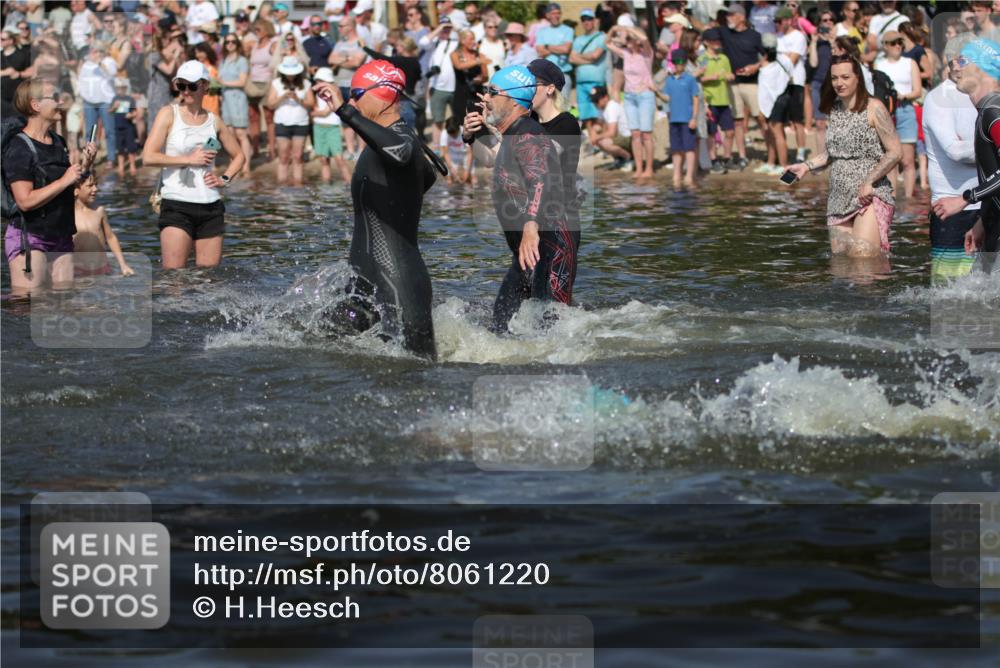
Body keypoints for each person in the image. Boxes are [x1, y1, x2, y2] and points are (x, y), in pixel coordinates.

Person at [311, 60, 443, 360]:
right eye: (350, 96)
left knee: (415, 372)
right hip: (362, 284)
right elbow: (427, 176)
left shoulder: (402, 138)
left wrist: (344, 111)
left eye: (357, 94)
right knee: (317, 348)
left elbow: (403, 154)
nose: (354, 101)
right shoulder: (382, 142)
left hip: (398, 283)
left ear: (382, 94)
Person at [462, 65, 573, 332]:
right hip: (527, 254)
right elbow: (489, 157)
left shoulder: (527, 134)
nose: (485, 97)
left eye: (492, 92)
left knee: (549, 334)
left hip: (549, 250)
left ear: (513, 100)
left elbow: (542, 179)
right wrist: (473, 133)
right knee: (501, 328)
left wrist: (531, 226)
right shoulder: (513, 133)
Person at [786, 55, 901, 258]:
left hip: (868, 195)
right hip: (838, 199)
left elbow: (895, 152)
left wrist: (869, 181)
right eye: (835, 78)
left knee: (863, 261)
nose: (839, 83)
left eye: (845, 77)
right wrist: (806, 166)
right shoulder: (835, 110)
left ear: (858, 78)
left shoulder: (874, 107)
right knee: (842, 264)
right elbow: (834, 153)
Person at [141, 60, 245, 269]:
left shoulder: (214, 121)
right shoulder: (169, 114)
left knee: (208, 279)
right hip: (176, 204)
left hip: (211, 205)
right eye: (181, 85)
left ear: (205, 86)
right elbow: (148, 157)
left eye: (192, 85)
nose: (186, 91)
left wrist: (224, 179)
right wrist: (188, 159)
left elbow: (239, 156)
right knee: (174, 277)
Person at [3, 79, 96, 291]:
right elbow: (25, 201)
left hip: (61, 236)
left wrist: (86, 165)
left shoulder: (57, 141)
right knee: (30, 303)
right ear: (35, 105)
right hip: (30, 237)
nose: (61, 101)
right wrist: (64, 180)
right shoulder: (19, 147)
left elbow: (67, 188)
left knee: (63, 303)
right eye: (54, 97)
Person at [932, 39, 1000, 257]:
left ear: (982, 68)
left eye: (962, 60)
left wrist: (965, 199)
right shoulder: (988, 110)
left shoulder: (994, 112)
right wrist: (983, 220)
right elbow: (993, 171)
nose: (955, 66)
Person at [923, 44, 982, 281]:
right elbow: (955, 152)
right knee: (946, 289)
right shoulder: (938, 98)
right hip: (950, 208)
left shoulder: (984, 94)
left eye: (964, 60)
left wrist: (972, 144)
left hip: (987, 204)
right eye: (953, 60)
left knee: (986, 286)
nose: (957, 66)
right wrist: (990, 145)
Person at [528, 58, 582, 256]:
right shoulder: (529, 121)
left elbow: (541, 158)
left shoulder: (567, 122)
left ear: (550, 89)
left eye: (532, 84)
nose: (526, 90)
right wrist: (476, 134)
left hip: (561, 221)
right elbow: (492, 159)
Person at [874, 30, 921, 197]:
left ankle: (908, 199)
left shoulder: (910, 63)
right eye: (894, 43)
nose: (898, 46)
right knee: (890, 161)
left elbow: (917, 91)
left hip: (905, 109)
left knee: (908, 160)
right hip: (885, 113)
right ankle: (891, 199)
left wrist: (903, 96)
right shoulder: (879, 64)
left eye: (900, 42)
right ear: (885, 46)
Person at [606, 25, 655, 179]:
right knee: (635, 134)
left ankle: (649, 168)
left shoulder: (647, 53)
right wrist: (614, 29)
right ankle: (639, 168)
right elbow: (607, 43)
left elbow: (645, 38)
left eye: (629, 39)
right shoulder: (625, 54)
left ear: (636, 40)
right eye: (627, 39)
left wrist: (630, 29)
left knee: (646, 134)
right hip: (629, 97)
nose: (627, 41)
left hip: (645, 96)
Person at [718, 4, 763, 171]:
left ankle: (773, 156)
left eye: (731, 14)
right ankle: (743, 156)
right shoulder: (724, 32)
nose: (728, 17)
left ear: (741, 17)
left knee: (760, 118)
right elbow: (703, 28)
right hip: (733, 84)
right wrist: (686, 15)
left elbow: (767, 56)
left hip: (752, 83)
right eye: (727, 14)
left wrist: (756, 66)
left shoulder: (755, 36)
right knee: (738, 120)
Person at [73, 172, 133, 277]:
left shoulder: (99, 211)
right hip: (78, 270)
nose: (95, 189)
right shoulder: (69, 215)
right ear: (76, 191)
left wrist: (123, 265)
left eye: (96, 185)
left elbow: (110, 237)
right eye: (90, 186)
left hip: (102, 268)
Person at [266, 56, 314, 186]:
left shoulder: (306, 83)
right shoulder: (276, 83)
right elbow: (270, 104)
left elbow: (311, 103)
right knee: (283, 156)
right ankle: (282, 186)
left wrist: (298, 99)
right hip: (282, 122)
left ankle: (298, 185)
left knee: (298, 156)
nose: (290, 76)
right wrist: (282, 96)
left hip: (301, 123)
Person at [657, 49, 699, 189]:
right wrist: (656, 91)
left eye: (681, 61)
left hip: (687, 119)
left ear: (685, 63)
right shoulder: (669, 80)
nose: (678, 64)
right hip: (674, 119)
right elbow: (666, 98)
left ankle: (689, 175)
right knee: (675, 149)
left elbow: (695, 99)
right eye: (676, 62)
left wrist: (694, 118)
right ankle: (676, 174)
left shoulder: (690, 79)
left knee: (689, 148)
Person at [698, 28, 735, 174]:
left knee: (730, 131)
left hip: (724, 100)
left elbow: (730, 74)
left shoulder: (724, 58)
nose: (717, 42)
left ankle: (727, 158)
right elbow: (697, 78)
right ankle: (713, 160)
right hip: (710, 101)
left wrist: (730, 76)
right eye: (713, 40)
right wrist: (709, 78)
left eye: (718, 40)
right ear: (706, 42)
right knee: (712, 133)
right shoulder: (702, 59)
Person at [328, 15, 366, 157]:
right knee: (345, 119)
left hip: (356, 86)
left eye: (341, 26)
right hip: (340, 85)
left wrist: (340, 61)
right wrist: (347, 58)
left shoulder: (360, 42)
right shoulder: (340, 43)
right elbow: (331, 59)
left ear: (350, 26)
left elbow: (357, 62)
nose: (338, 28)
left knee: (359, 119)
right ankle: (350, 149)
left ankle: (361, 150)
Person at [569, 9, 607, 148]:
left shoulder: (601, 37)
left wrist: (581, 57)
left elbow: (595, 56)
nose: (586, 22)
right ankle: (593, 142)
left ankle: (601, 141)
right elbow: (571, 58)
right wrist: (588, 58)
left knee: (598, 114)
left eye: (589, 19)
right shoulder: (578, 39)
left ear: (594, 20)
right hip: (581, 82)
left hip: (596, 81)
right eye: (584, 19)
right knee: (586, 115)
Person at [775, 7, 807, 163]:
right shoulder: (777, 37)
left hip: (795, 81)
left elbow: (792, 61)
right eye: (776, 21)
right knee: (780, 120)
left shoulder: (799, 36)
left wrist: (780, 56)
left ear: (788, 20)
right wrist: (784, 55)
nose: (777, 24)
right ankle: (783, 152)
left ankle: (801, 152)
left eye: (779, 21)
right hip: (779, 83)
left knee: (797, 119)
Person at [756, 35, 792, 175]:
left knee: (777, 131)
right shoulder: (784, 59)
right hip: (781, 98)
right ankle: (771, 163)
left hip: (778, 99)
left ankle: (784, 165)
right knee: (772, 130)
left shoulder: (765, 63)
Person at [420, 17, 458, 148]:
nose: (445, 30)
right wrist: (439, 29)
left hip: (455, 87)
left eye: (448, 28)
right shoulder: (434, 43)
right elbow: (422, 42)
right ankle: (436, 147)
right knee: (438, 120)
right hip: (437, 88)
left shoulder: (455, 42)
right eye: (443, 28)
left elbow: (466, 38)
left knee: (457, 118)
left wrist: (454, 28)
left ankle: (455, 146)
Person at [218, 32, 253, 177]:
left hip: (238, 98)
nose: (230, 44)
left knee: (241, 133)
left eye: (233, 41)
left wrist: (223, 83)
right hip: (226, 99)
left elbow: (242, 82)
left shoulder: (242, 61)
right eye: (227, 42)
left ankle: (246, 166)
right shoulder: (223, 60)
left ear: (237, 44)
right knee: (230, 133)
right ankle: (234, 164)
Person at [79, 42, 118, 168]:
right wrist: (84, 96)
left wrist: (100, 63)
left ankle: (111, 158)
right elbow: (82, 81)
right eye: (93, 51)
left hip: (106, 101)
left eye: (97, 51)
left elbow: (112, 74)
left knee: (109, 130)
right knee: (90, 132)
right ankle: (89, 159)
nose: (94, 53)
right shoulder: (86, 64)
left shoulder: (109, 61)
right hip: (89, 102)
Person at [310, 66, 351, 183]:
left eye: (320, 81)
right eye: (317, 81)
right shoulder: (317, 94)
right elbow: (318, 111)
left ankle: (349, 184)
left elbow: (325, 112)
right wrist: (315, 113)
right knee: (323, 160)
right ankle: (326, 187)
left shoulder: (334, 92)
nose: (318, 83)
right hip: (318, 127)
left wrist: (312, 114)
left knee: (339, 159)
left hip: (332, 128)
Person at [247, 19, 278, 158]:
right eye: (255, 30)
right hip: (253, 83)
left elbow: (277, 59)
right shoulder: (254, 45)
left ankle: (272, 149)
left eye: (258, 29)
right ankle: (255, 148)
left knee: (269, 116)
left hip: (267, 83)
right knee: (253, 116)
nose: (256, 32)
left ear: (267, 30)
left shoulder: (272, 44)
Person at [809, 10, 836, 154]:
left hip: (835, 85)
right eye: (824, 20)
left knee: (836, 123)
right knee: (820, 123)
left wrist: (832, 42)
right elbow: (813, 63)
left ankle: (836, 156)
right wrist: (813, 42)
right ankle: (821, 157)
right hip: (818, 84)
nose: (828, 23)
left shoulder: (839, 40)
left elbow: (838, 61)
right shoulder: (816, 42)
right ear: (819, 23)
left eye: (831, 20)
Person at [450, 28, 489, 127]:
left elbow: (485, 77)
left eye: (474, 39)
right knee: (462, 124)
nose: (474, 42)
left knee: (479, 123)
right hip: (461, 95)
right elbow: (459, 66)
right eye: (471, 39)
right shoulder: (455, 54)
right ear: (462, 41)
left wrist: (480, 79)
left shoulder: (479, 55)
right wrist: (478, 61)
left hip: (477, 94)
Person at [534, 3, 573, 96]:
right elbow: (540, 51)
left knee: (563, 103)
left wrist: (547, 46)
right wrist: (559, 48)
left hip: (563, 73)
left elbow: (566, 49)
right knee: (547, 103)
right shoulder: (541, 32)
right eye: (553, 13)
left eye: (558, 13)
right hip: (546, 75)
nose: (556, 16)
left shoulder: (568, 30)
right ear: (547, 15)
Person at [589, 84, 633, 166]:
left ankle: (628, 158)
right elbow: (598, 126)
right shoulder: (602, 108)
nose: (595, 104)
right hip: (620, 137)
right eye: (593, 101)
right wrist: (593, 132)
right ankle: (619, 158)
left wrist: (595, 137)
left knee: (602, 142)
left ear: (605, 97)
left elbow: (612, 132)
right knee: (598, 135)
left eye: (596, 100)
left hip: (628, 137)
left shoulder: (611, 107)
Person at [1, 27, 31, 119]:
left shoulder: (22, 54)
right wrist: (6, 72)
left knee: (18, 121)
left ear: (10, 41)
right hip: (2, 97)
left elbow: (31, 71)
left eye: (2, 39)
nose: (0, 41)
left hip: (17, 96)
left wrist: (19, 74)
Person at [110, 79, 138, 176]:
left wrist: (131, 115)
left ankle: (132, 165)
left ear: (126, 88)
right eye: (119, 88)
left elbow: (135, 112)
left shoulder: (130, 99)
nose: (121, 90)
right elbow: (110, 111)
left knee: (131, 148)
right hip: (118, 128)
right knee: (120, 149)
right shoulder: (115, 99)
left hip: (128, 127)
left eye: (123, 88)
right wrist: (114, 107)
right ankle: (121, 166)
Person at [441, 115, 472, 184]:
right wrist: (451, 168)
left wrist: (467, 170)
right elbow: (445, 153)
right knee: (449, 180)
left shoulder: (465, 132)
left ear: (459, 129)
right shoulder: (444, 134)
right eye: (451, 135)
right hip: (452, 156)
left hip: (465, 155)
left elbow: (469, 153)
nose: (453, 136)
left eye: (455, 134)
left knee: (471, 178)